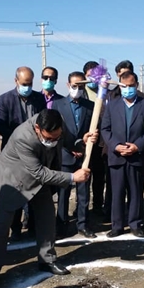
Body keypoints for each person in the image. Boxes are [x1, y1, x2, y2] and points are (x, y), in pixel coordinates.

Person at [0, 109, 92, 287]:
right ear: (37, 128)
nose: (53, 141)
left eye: (56, 137)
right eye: (49, 138)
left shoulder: (58, 124)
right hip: (13, 180)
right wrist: (73, 177)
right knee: (3, 223)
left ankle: (47, 259)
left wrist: (84, 143)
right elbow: (39, 173)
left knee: (47, 217)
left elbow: (70, 142)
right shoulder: (22, 137)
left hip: (40, 179)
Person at [101, 71, 144, 238]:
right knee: (116, 192)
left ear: (136, 86)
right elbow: (105, 129)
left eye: (131, 86)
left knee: (136, 192)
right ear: (120, 86)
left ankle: (135, 224)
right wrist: (116, 146)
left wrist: (137, 146)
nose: (127, 89)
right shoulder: (112, 105)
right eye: (124, 86)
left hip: (137, 156)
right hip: (117, 156)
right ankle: (117, 225)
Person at [0, 66, 46, 240]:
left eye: (30, 83)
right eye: (24, 83)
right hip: (14, 154)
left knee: (34, 189)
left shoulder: (39, 98)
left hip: (36, 151)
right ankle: (15, 228)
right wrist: (21, 139)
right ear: (16, 81)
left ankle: (32, 225)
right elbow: (0, 125)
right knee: (15, 191)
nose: (28, 86)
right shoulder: (4, 100)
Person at [53, 71, 97, 238]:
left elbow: (92, 129)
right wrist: (70, 147)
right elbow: (56, 130)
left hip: (85, 156)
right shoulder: (58, 104)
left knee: (84, 192)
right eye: (74, 86)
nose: (77, 89)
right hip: (65, 154)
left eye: (80, 86)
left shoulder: (90, 105)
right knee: (63, 193)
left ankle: (83, 224)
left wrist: (87, 143)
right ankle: (61, 225)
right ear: (67, 85)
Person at [83, 60, 107, 217]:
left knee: (99, 177)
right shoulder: (80, 93)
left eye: (96, 76)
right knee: (84, 177)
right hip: (85, 143)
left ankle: (98, 206)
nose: (94, 79)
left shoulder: (105, 93)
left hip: (102, 142)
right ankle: (82, 209)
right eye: (90, 76)